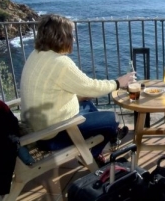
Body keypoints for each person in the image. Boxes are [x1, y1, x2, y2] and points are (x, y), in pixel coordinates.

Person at [20, 14, 135, 165]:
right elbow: (90, 86)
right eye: (71, 35)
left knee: (88, 104)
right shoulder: (60, 63)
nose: (73, 39)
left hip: (38, 124)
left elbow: (55, 90)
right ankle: (91, 154)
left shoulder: (36, 55)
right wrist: (118, 83)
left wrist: (81, 96)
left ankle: (108, 139)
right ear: (62, 37)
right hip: (52, 134)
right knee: (112, 119)